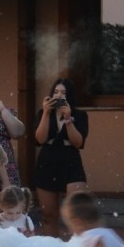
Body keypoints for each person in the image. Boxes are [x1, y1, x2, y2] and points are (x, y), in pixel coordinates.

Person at [33, 78, 88, 237]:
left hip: (71, 159)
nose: (59, 96)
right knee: (49, 215)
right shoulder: (43, 113)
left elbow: (78, 142)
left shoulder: (80, 114)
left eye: (63, 93)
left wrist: (68, 119)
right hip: (48, 159)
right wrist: (45, 113)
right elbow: (39, 139)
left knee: (76, 212)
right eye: (56, 92)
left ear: (69, 95)